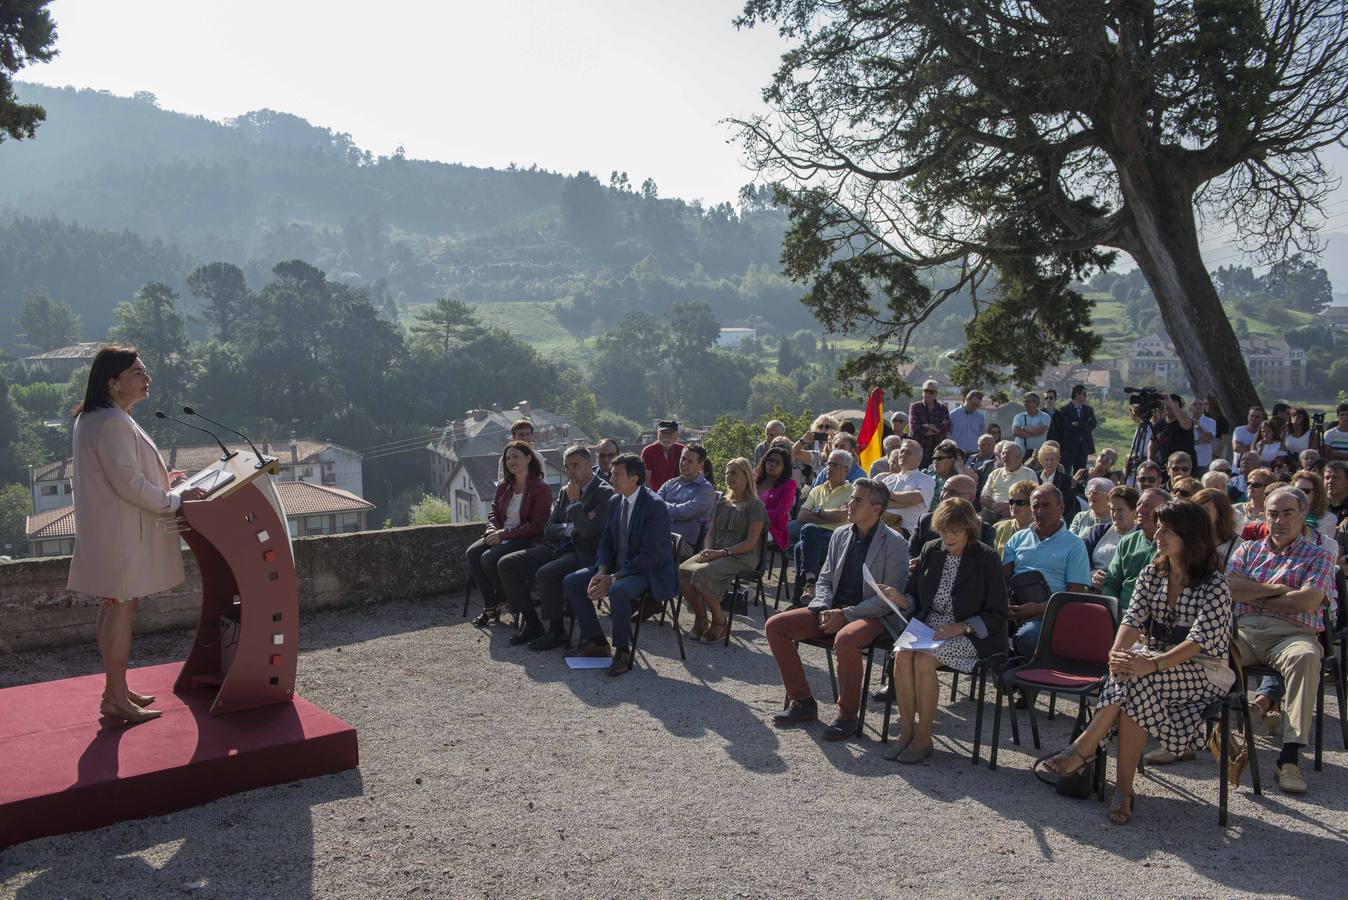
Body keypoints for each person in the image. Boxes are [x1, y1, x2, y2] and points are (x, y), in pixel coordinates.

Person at [1043, 500, 1236, 825]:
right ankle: (1122, 787)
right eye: (1158, 527)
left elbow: (1198, 641)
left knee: (1137, 678)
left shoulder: (1215, 584)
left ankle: (1085, 750)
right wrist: (1115, 654)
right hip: (1153, 661)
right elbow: (1132, 620)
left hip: (1205, 668)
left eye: (1167, 530)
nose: (1157, 534)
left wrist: (1153, 664)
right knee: (1131, 676)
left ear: (1190, 537)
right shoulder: (1152, 572)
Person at [67, 346, 208, 724]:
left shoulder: (96, 417)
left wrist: (164, 481)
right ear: (113, 382)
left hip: (109, 531)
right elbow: (126, 482)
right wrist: (173, 498)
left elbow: (121, 472)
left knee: (115, 606)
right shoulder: (111, 422)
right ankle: (115, 697)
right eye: (137, 372)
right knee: (119, 608)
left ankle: (116, 688)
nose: (147, 378)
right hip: (121, 534)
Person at [767, 479, 909, 740]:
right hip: (833, 609)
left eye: (857, 500)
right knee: (776, 626)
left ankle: (847, 717)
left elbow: (887, 598)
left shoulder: (896, 544)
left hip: (873, 614)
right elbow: (825, 578)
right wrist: (821, 605)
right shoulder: (841, 534)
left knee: (846, 640)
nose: (849, 504)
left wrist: (846, 614)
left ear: (877, 508)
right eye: (851, 498)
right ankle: (803, 702)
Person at [1227, 486, 1339, 794]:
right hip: (1245, 631)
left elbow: (1307, 601)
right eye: (1273, 513)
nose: (1279, 520)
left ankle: (1289, 758)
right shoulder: (1248, 550)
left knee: (1305, 658)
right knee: (1209, 648)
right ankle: (1185, 737)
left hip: (1292, 633)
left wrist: (1257, 593)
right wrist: (1276, 589)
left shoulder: (1318, 555)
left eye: (1288, 513)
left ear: (1303, 515)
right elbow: (1231, 588)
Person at [885, 498, 1009, 763]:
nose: (948, 538)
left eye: (955, 532)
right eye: (943, 531)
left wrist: (961, 627)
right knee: (902, 656)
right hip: (930, 626)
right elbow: (918, 597)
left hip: (972, 633)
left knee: (924, 659)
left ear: (969, 531)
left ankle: (924, 737)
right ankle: (906, 731)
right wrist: (903, 600)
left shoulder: (986, 557)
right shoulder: (932, 549)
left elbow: (998, 612)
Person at [564, 453, 678, 677]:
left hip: (647, 571)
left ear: (634, 479)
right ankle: (597, 641)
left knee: (618, 591)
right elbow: (605, 540)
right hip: (618, 567)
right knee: (572, 582)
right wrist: (602, 570)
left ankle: (622, 652)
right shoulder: (616, 500)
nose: (611, 479)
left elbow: (650, 556)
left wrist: (613, 578)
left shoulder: (655, 506)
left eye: (617, 475)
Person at [497, 445, 614, 649]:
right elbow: (548, 529)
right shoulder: (564, 490)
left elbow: (588, 532)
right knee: (507, 564)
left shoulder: (604, 493)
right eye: (567, 467)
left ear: (589, 464)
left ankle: (556, 631)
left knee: (546, 573)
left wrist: (576, 504)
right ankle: (533, 624)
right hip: (558, 546)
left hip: (584, 552)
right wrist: (571, 527)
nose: (570, 472)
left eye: (575, 466)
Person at [678, 458, 769, 642]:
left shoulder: (755, 506)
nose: (729, 477)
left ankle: (719, 621)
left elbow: (750, 543)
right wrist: (707, 550)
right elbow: (711, 532)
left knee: (702, 574)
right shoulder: (722, 502)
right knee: (682, 571)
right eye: (727, 472)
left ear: (746, 476)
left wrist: (720, 553)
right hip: (717, 551)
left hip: (741, 556)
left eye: (734, 472)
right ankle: (701, 617)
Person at [468, 440, 553, 626]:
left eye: (516, 456)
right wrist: (492, 529)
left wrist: (503, 535)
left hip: (527, 538)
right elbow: (494, 513)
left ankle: (503, 600)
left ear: (529, 458)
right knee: (473, 553)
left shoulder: (541, 488)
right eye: (507, 458)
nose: (511, 461)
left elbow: (537, 525)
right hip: (502, 534)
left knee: (489, 558)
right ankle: (493, 603)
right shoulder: (503, 486)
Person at [1002, 484, 1092, 657]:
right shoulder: (1018, 539)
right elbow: (1001, 580)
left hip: (1051, 613)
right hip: (1015, 608)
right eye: (1036, 506)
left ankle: (1025, 680)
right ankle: (1009, 678)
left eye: (1046, 505)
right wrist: (1005, 605)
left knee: (1029, 637)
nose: (1040, 510)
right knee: (984, 631)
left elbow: (1074, 596)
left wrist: (1038, 608)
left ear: (1061, 508)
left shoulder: (1075, 545)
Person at [792, 450, 856, 603]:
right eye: (828, 464)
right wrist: (829, 516)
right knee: (807, 533)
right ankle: (810, 584)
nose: (828, 468)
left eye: (834, 465)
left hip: (836, 537)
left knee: (801, 546)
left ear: (846, 470)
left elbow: (842, 516)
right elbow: (801, 515)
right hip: (813, 535)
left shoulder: (852, 491)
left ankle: (798, 600)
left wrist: (817, 511)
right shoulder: (817, 489)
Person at [1099, 488, 1169, 611]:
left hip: (1155, 613)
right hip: (1122, 610)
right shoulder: (1127, 542)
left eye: (1148, 506)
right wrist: (1112, 609)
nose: (1140, 509)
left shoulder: (1171, 545)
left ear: (1165, 511)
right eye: (1139, 504)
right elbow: (1111, 581)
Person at [907, 474, 996, 563]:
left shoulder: (984, 530)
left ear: (971, 498)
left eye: (952, 493)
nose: (944, 496)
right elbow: (909, 552)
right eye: (943, 490)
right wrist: (913, 564)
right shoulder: (925, 520)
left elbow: (983, 563)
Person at [657, 443, 718, 556]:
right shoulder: (670, 484)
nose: (684, 463)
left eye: (690, 461)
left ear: (700, 465)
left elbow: (684, 513)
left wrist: (662, 507)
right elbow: (653, 507)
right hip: (660, 535)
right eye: (683, 458)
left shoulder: (706, 489)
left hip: (681, 543)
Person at [879, 439, 936, 535]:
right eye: (902, 451)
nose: (903, 455)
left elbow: (914, 499)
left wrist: (888, 494)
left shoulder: (926, 480)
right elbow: (876, 501)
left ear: (919, 459)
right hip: (882, 524)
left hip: (907, 531)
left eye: (908, 452)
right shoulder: (887, 480)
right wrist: (904, 503)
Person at [1085, 485, 1139, 583]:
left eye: (1120, 510)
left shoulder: (1141, 535)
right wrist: (1092, 573)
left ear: (1134, 511)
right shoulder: (1098, 532)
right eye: (1112, 509)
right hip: (1093, 587)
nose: (1115, 515)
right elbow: (1083, 558)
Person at [755, 446, 798, 562]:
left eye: (777, 462)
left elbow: (779, 513)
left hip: (773, 529)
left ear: (784, 467)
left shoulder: (788, 485)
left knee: (746, 532)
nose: (772, 464)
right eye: (770, 460)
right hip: (748, 522)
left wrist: (755, 516)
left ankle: (748, 567)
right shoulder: (756, 481)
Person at [979, 441, 1037, 522]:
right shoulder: (995, 473)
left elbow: (1034, 498)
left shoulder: (1029, 474)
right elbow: (984, 497)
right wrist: (995, 507)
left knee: (1004, 525)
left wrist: (1010, 506)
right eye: (1003, 453)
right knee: (975, 522)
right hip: (992, 511)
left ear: (1019, 457)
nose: (1005, 456)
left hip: (1018, 512)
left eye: (1009, 453)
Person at [1193, 487, 1241, 570]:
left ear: (1220, 514)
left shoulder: (1238, 547)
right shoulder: (1185, 540)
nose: (1198, 514)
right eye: (1195, 509)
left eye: (1205, 510)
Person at [1055, 384, 1098, 474]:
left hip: (1083, 447)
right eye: (1084, 394)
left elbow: (1093, 424)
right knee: (1065, 471)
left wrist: (1077, 424)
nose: (1086, 396)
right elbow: (1066, 426)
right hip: (1068, 447)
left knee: (1081, 473)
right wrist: (1084, 425)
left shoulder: (1088, 410)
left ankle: (1078, 488)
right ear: (1077, 394)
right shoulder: (1064, 410)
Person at [909, 379, 951, 466]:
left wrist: (927, 426)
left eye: (931, 392)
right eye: (926, 391)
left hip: (937, 451)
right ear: (922, 392)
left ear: (936, 394)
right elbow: (915, 429)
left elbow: (946, 428)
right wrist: (935, 429)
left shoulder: (943, 408)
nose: (927, 393)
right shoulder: (915, 407)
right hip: (919, 451)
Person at [992, 479, 1036, 559]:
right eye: (1011, 502)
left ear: (1032, 505)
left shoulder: (1040, 530)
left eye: (1020, 503)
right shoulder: (998, 528)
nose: (1013, 506)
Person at [1149, 394, 1195, 469]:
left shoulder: (1185, 422)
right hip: (1163, 467)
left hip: (1183, 468)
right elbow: (1152, 443)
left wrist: (1171, 403)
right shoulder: (1159, 425)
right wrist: (1150, 459)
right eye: (1165, 404)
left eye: (1172, 404)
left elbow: (1186, 424)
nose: (1167, 406)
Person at [641, 420, 684, 490]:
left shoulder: (682, 450)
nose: (666, 436)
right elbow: (646, 480)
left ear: (677, 435)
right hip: (656, 495)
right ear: (657, 434)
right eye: (663, 433)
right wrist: (654, 498)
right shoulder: (648, 452)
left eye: (669, 433)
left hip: (678, 495)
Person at [1033, 441, 1075, 510]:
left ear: (1058, 460)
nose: (1049, 462)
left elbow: (1066, 504)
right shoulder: (1035, 476)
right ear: (1041, 461)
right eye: (1046, 460)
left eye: (1052, 459)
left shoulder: (1065, 479)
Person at [923, 439, 962, 511]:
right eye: (934, 458)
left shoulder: (956, 480)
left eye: (939, 458)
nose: (935, 461)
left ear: (952, 459)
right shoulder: (927, 474)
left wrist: (958, 465)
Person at [1238, 468, 1275, 538]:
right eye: (1248, 483)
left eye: (1256, 485)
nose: (1250, 487)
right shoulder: (1235, 509)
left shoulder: (1272, 513)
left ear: (1267, 488)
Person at [1012, 392, 1052, 457]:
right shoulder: (1018, 417)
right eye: (1024, 401)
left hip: (1038, 456)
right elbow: (1016, 432)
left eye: (1028, 401)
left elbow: (1040, 431)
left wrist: (1024, 428)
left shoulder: (1045, 417)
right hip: (1020, 456)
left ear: (1036, 402)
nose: (1025, 404)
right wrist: (1035, 433)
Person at [948, 390, 986, 454]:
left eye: (977, 405)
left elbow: (981, 436)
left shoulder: (980, 417)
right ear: (967, 400)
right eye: (973, 404)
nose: (975, 407)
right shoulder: (952, 415)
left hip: (974, 453)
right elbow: (948, 435)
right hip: (957, 453)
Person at [1191, 398, 1217, 475]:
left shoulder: (1210, 421)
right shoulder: (1186, 421)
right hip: (1189, 461)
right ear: (1190, 407)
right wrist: (1201, 440)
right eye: (1195, 404)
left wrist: (1197, 427)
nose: (1198, 406)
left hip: (1204, 462)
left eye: (1200, 404)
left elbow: (1209, 439)